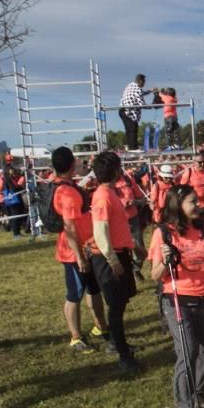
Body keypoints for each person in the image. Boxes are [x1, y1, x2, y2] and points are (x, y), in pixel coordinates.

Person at [150, 185, 204, 408]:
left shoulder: (203, 229)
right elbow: (155, 275)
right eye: (192, 202)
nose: (198, 205)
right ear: (178, 204)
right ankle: (185, 407)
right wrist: (165, 260)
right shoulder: (163, 234)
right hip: (177, 298)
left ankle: (197, 391)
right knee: (188, 351)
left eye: (197, 201)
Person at [50, 147, 108, 354]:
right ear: (71, 164)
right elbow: (69, 226)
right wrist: (79, 256)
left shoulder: (66, 185)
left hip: (88, 248)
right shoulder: (66, 192)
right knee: (74, 294)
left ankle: (100, 326)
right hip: (74, 253)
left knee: (94, 289)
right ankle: (76, 337)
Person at [87, 151, 139, 372]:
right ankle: (121, 353)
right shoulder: (102, 196)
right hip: (109, 257)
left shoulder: (109, 193)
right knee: (116, 307)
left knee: (121, 303)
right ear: (115, 170)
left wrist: (134, 246)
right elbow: (100, 232)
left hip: (119, 253)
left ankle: (120, 344)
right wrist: (112, 260)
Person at [119, 74, 154, 151]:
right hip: (129, 111)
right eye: (144, 82)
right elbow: (142, 104)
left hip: (122, 110)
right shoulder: (137, 89)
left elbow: (142, 93)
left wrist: (150, 91)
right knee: (133, 129)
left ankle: (130, 147)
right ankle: (133, 148)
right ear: (140, 81)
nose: (144, 84)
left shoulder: (130, 85)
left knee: (128, 130)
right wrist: (151, 106)